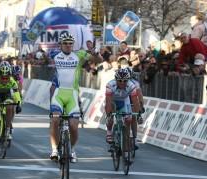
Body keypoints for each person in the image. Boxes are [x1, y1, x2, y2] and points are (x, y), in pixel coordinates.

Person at [49, 32, 95, 163]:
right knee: (55, 120)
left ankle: (72, 149)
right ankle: (54, 149)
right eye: (65, 43)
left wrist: (93, 51)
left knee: (74, 126)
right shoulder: (55, 55)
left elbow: (98, 61)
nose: (68, 46)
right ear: (60, 45)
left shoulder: (79, 55)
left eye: (70, 43)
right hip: (59, 93)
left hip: (73, 94)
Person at [105, 68, 140, 153]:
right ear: (116, 79)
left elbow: (135, 101)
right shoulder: (110, 85)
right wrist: (109, 114)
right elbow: (108, 102)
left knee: (129, 119)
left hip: (124, 101)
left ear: (128, 80)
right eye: (120, 81)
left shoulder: (131, 86)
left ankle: (125, 141)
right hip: (113, 100)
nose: (122, 83)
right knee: (110, 116)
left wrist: (138, 114)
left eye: (125, 81)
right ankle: (109, 131)